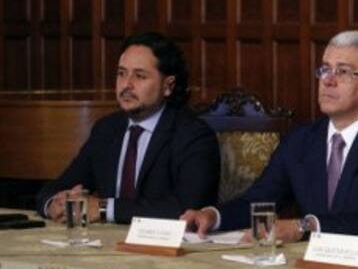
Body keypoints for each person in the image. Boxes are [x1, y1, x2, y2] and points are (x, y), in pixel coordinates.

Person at [181, 30, 358, 241]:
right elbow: (260, 200)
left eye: (343, 72)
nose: (328, 80)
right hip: (306, 264)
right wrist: (213, 216)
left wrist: (304, 227)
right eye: (325, 69)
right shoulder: (301, 139)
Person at [36, 32, 220, 224]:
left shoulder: (193, 135)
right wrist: (53, 203)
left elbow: (188, 208)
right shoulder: (106, 129)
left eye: (139, 76)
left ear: (168, 86)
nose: (126, 84)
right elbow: (61, 185)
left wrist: (104, 208)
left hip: (161, 241)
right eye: (121, 73)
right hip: (107, 240)